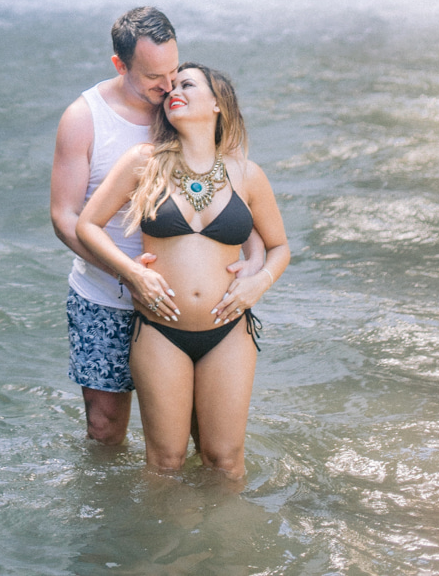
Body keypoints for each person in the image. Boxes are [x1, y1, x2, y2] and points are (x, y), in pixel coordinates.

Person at [50, 8, 265, 445]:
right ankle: (110, 512)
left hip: (190, 310)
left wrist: (257, 269)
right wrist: (129, 274)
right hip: (106, 296)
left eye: (174, 70)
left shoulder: (181, 109)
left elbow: (241, 206)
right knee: (106, 427)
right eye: (154, 77)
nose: (167, 86)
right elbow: (65, 218)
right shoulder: (84, 118)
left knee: (200, 433)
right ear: (120, 65)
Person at [76, 63, 289, 480]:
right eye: (172, 86)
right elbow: (87, 224)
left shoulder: (247, 174)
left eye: (187, 85)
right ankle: (165, 545)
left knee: (225, 461)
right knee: (165, 463)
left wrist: (259, 282)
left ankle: (227, 545)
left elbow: (280, 246)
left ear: (217, 103)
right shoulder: (145, 162)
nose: (174, 90)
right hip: (159, 329)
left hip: (228, 329)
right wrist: (130, 272)